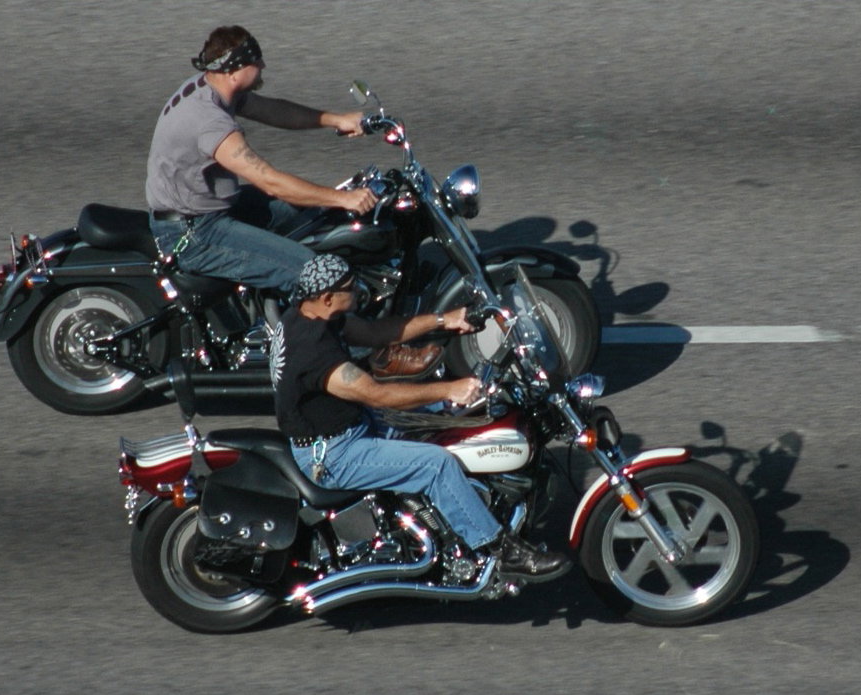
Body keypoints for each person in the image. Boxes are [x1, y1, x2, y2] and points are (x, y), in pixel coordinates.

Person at [270, 254, 570, 582]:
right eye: (350, 288)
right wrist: (450, 389)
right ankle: (499, 550)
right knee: (435, 464)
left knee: (445, 416)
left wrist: (446, 320)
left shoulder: (311, 314)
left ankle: (449, 513)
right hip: (334, 454)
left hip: (351, 424)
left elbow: (374, 332)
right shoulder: (313, 352)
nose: (358, 290)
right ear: (328, 297)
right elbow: (377, 394)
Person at [145, 25, 376, 295]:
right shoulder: (209, 122)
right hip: (194, 233)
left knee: (320, 214)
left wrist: (336, 120)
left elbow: (273, 110)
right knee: (320, 275)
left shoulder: (213, 87)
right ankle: (302, 320)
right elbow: (270, 182)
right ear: (233, 71)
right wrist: (344, 198)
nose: (263, 65)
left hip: (212, 210)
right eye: (255, 62)